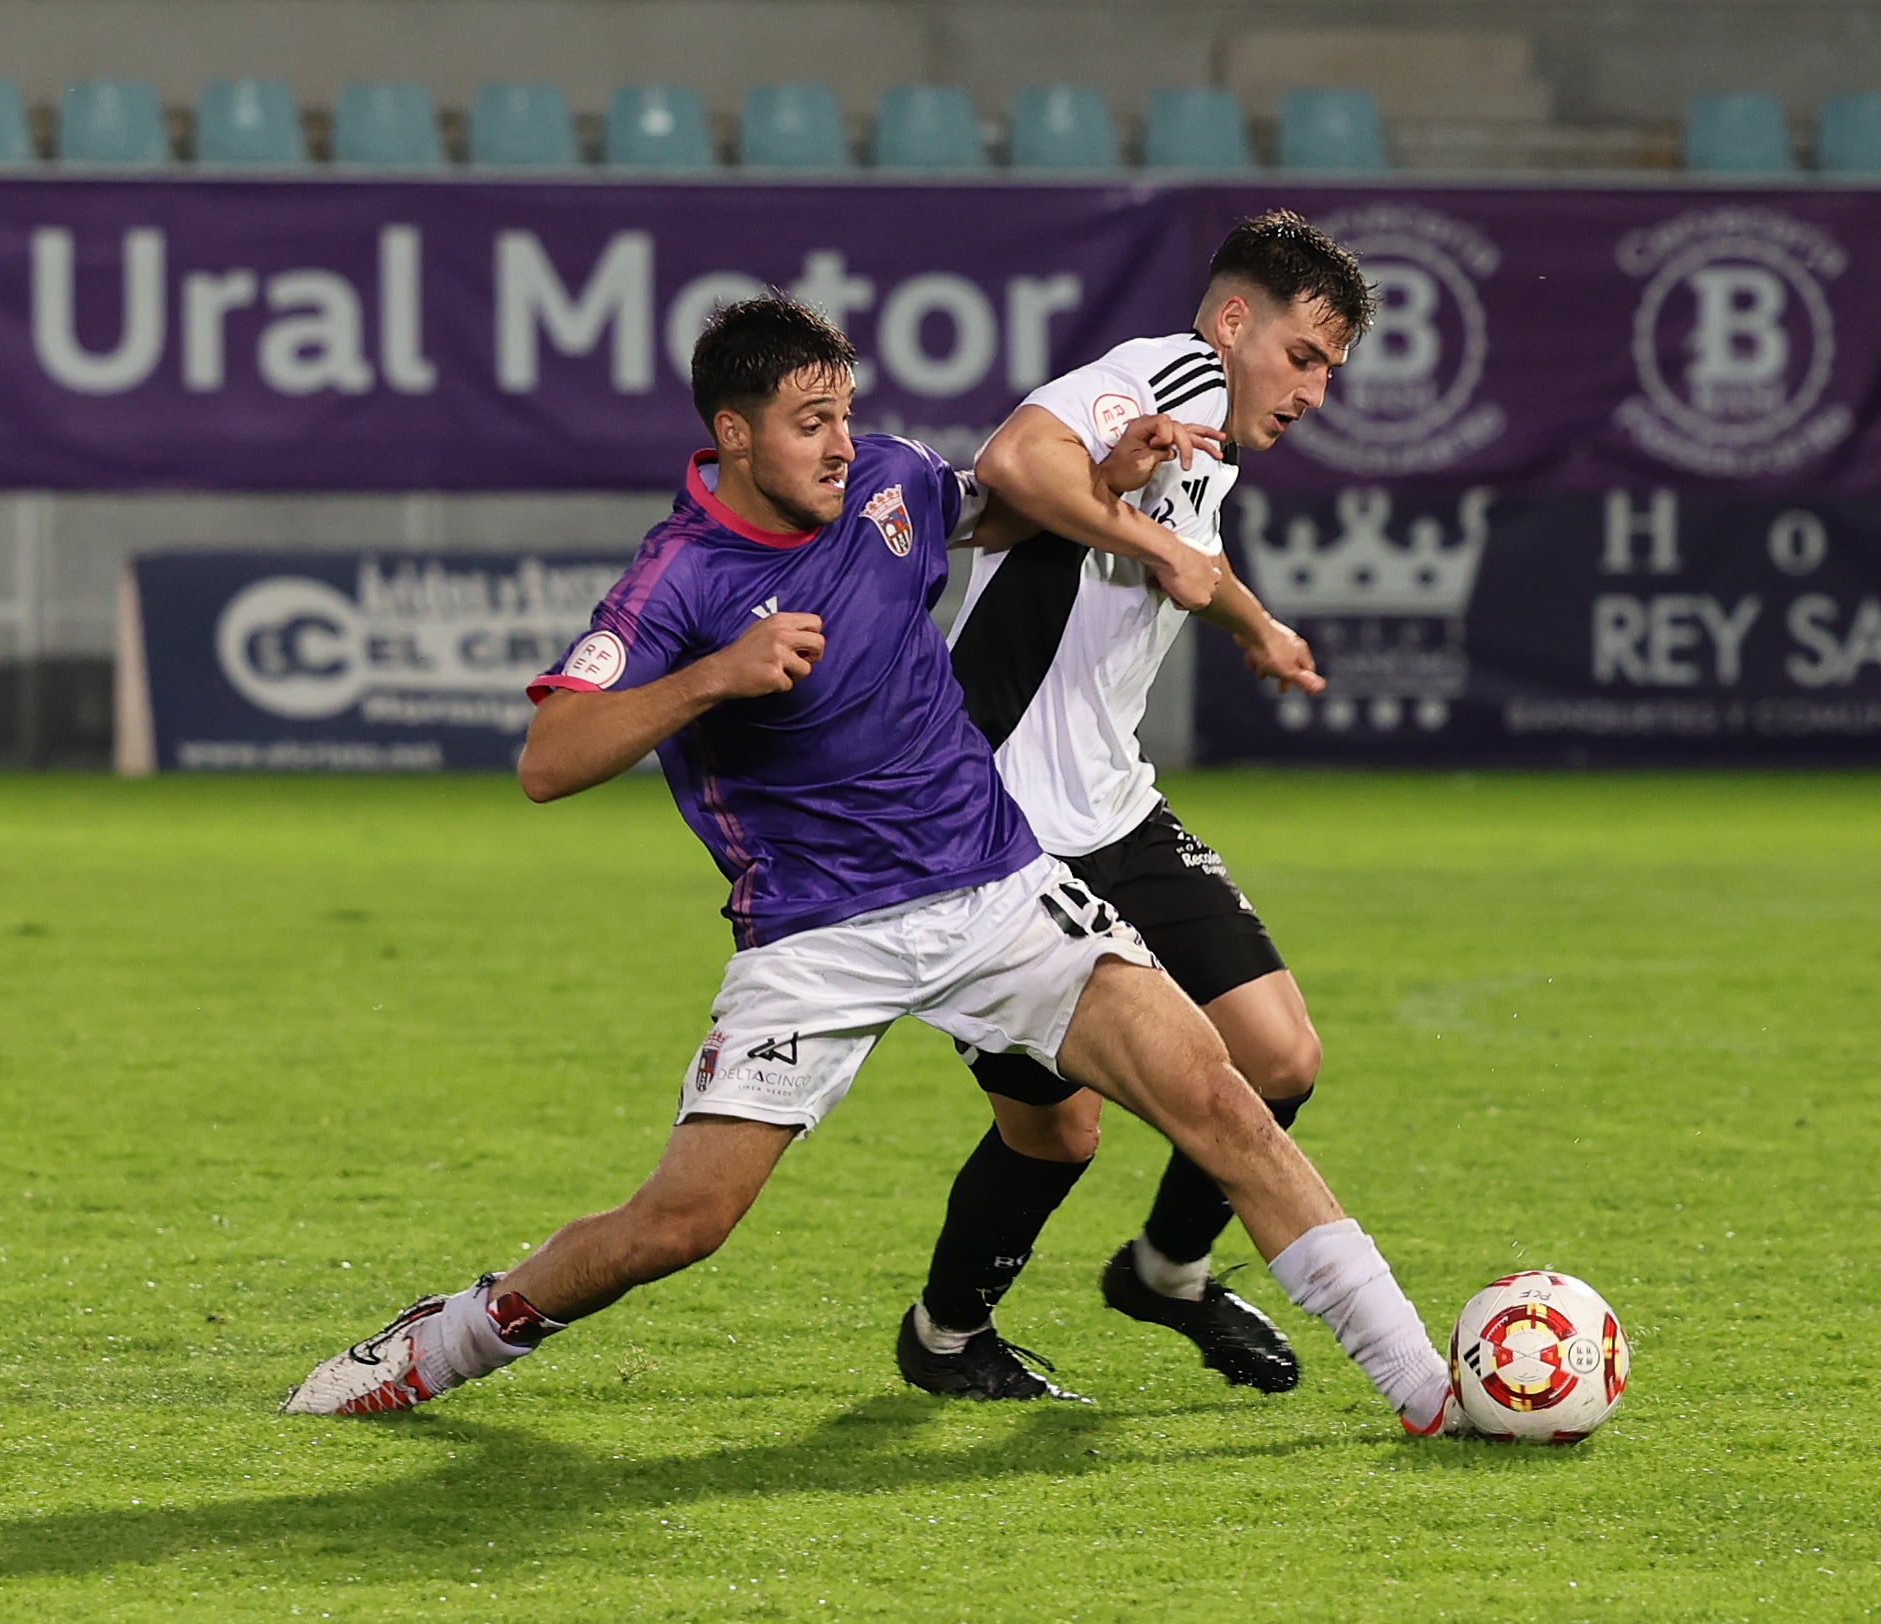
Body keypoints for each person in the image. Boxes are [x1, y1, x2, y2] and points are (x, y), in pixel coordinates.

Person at [281, 294, 1470, 1439]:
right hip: (816, 938)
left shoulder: (892, 480)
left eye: (847, 412)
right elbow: (548, 758)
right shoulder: (680, 578)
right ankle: (447, 1339)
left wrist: (1110, 480)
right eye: (813, 423)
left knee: (1223, 1101)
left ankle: (1428, 1388)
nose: (845, 444)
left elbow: (997, 514)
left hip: (999, 888)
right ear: (733, 434)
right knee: (681, 1223)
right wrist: (711, 677)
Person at [895, 208, 1370, 1404]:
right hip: (995, 835)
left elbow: (1183, 555)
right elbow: (1013, 464)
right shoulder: (1169, 373)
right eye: (1304, 354)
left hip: (1113, 810)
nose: (1315, 388)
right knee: (1054, 1134)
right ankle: (946, 1336)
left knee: (1278, 1054)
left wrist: (1256, 625)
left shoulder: (1204, 441)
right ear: (1231, 321)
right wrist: (1145, 541)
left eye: (1332, 370)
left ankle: (1167, 1268)